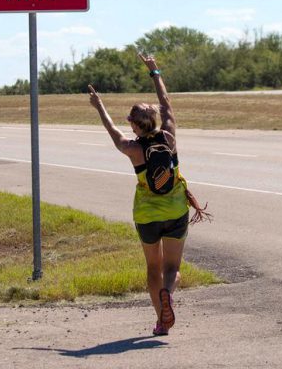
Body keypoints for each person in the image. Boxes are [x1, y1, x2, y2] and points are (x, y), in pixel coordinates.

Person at [88, 53, 210, 336]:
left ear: (134, 125)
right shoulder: (169, 136)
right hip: (176, 209)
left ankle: (161, 320)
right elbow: (166, 103)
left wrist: (100, 106)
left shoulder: (132, 149)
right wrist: (154, 71)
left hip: (146, 216)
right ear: (154, 120)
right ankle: (169, 291)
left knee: (152, 268)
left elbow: (112, 130)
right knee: (172, 267)